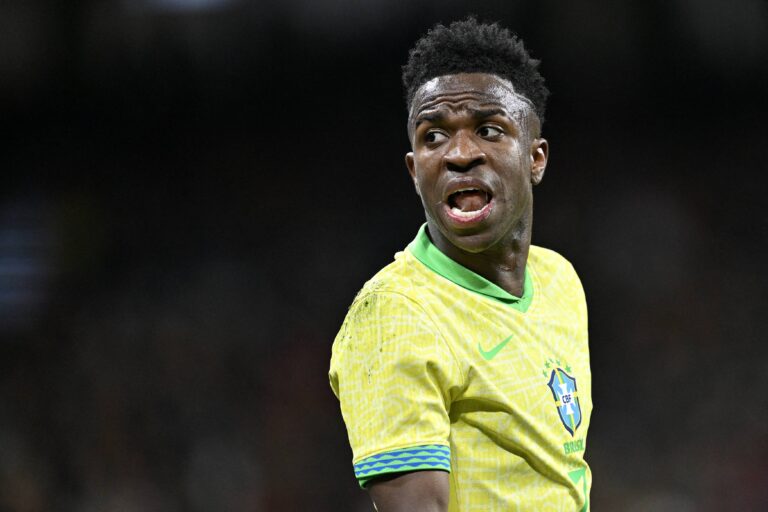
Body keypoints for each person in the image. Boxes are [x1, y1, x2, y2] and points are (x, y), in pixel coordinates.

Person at [329, 17, 592, 511]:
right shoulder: (396, 314)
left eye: (489, 130)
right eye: (433, 137)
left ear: (535, 159)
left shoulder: (560, 281)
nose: (461, 154)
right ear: (414, 170)